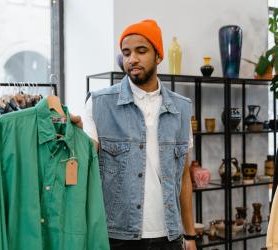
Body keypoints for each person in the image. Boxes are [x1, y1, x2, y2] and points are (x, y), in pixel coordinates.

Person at [83, 19, 197, 250]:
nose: (132, 59)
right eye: (126, 53)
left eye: (141, 51)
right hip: (117, 237)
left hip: (169, 236)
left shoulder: (181, 108)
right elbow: (85, 169)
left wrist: (190, 236)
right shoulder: (99, 103)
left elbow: (184, 177)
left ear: (158, 56)